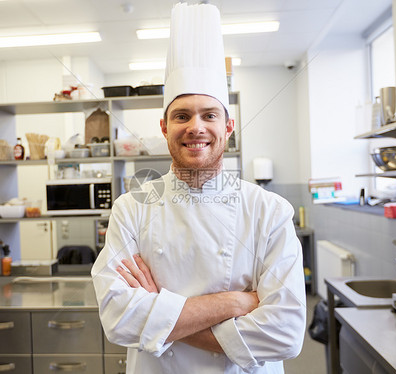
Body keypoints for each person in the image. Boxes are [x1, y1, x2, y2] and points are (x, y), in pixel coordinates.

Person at [91, 3, 306, 373]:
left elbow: (285, 334)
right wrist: (233, 303)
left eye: (209, 115)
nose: (196, 127)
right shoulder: (133, 207)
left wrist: (157, 311)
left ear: (228, 126)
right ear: (164, 127)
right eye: (181, 116)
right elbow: (116, 318)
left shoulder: (268, 210)